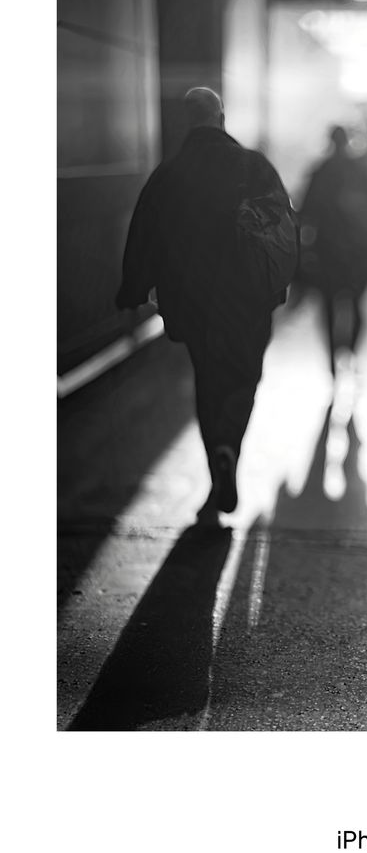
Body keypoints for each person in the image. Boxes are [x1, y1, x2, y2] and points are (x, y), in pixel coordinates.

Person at [116, 87, 298, 525]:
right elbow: (283, 225)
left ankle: (216, 457)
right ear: (220, 117)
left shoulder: (169, 173)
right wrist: (284, 281)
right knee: (244, 376)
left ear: (188, 120)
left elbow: (144, 233)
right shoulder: (253, 166)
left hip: (191, 299)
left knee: (207, 377)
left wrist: (133, 289)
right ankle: (229, 446)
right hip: (248, 296)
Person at [299, 125, 367, 375]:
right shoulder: (359, 170)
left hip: (327, 252)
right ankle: (350, 353)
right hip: (358, 252)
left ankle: (334, 360)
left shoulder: (321, 171)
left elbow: (307, 212)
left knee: (328, 308)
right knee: (357, 306)